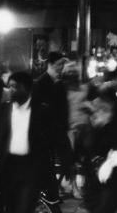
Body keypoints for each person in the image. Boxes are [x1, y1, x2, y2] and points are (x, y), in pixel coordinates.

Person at [0, 71, 55, 213]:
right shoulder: (3, 109)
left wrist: (66, 160)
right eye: (9, 86)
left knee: (24, 207)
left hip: (30, 168)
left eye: (15, 87)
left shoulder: (41, 111)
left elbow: (55, 137)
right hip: (7, 166)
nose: (10, 90)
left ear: (26, 88)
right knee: (10, 207)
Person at [77, 95, 117, 213]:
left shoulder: (114, 129)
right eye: (98, 111)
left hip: (108, 179)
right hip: (93, 177)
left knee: (104, 207)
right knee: (95, 206)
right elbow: (82, 150)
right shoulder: (89, 128)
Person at [32, 51, 72, 203]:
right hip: (46, 132)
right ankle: (51, 195)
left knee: (64, 161)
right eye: (59, 64)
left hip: (58, 130)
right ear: (51, 64)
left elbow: (64, 107)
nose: (62, 67)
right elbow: (37, 109)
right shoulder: (41, 82)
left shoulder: (59, 83)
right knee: (47, 165)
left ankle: (53, 193)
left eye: (63, 64)